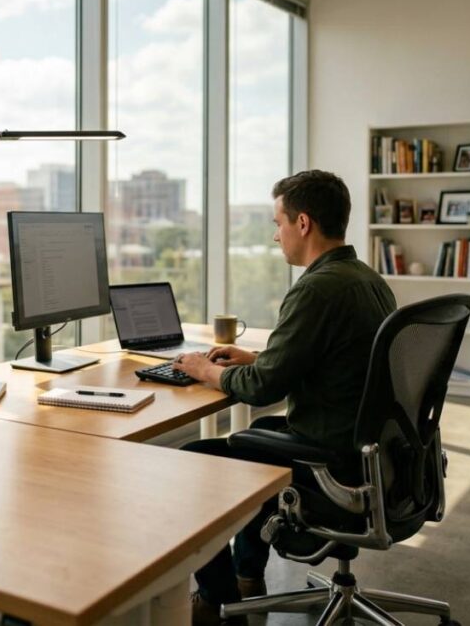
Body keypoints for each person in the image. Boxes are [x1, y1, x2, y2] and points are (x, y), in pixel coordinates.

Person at [172, 169, 396, 626]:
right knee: (256, 438)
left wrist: (204, 369)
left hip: (333, 463)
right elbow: (336, 359)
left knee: (188, 462)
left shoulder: (315, 288)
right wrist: (257, 355)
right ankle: (248, 576)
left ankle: (218, 600)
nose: (276, 237)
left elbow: (262, 388)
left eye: (278, 223)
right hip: (378, 456)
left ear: (303, 223)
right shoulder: (365, 279)